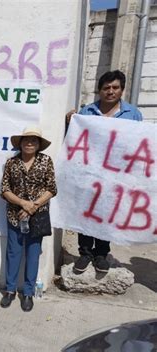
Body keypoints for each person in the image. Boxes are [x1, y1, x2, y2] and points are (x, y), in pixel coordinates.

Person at [65, 70, 143, 274]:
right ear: (99, 90)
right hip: (89, 172)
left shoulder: (133, 114)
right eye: (106, 88)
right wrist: (70, 122)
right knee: (85, 211)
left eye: (115, 87)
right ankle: (84, 253)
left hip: (116, 174)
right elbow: (74, 138)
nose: (110, 91)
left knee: (106, 213)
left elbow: (137, 143)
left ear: (122, 90)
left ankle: (101, 254)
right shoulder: (86, 113)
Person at [0, 126, 57, 312]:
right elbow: (5, 190)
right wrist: (23, 203)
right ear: (21, 143)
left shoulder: (46, 161)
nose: (30, 143)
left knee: (33, 254)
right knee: (13, 253)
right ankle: (9, 291)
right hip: (15, 215)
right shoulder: (11, 163)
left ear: (39, 144)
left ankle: (28, 293)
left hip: (37, 216)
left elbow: (51, 188)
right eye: (26, 140)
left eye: (34, 140)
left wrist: (33, 206)